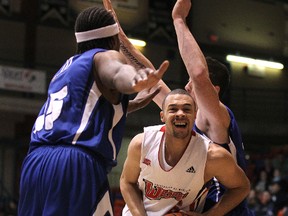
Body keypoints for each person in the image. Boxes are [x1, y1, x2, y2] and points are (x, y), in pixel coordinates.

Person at [17, 6, 169, 216]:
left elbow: (85, 108)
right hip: (73, 164)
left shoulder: (67, 68)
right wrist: (135, 80)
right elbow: (117, 73)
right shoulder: (105, 56)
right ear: (113, 38)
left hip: (35, 164)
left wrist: (129, 105)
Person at [171, 0, 254, 215]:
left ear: (213, 90)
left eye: (192, 82)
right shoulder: (188, 114)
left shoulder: (217, 118)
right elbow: (153, 82)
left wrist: (179, 20)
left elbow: (199, 76)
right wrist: (119, 37)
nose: (186, 85)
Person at [120, 89, 250, 216]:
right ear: (162, 116)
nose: (180, 113)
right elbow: (127, 182)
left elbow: (241, 187)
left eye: (187, 109)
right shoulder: (142, 143)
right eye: (173, 109)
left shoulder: (212, 155)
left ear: (195, 115)